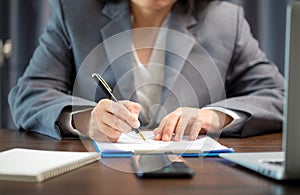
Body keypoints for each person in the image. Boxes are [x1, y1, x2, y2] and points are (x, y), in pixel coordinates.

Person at [8, 0, 284, 142]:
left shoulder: (224, 19)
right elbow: (30, 94)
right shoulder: (74, 11)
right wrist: (86, 120)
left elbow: (282, 97)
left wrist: (212, 118)